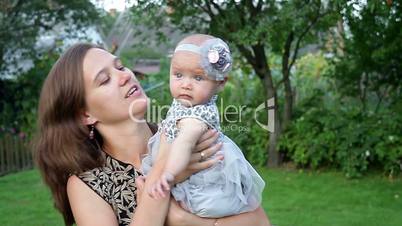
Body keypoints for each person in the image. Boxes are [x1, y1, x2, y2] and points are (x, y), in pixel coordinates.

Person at [35, 43, 271, 226]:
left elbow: (260, 221)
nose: (125, 75)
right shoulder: (88, 184)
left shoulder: (185, 135)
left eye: (119, 66)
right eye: (105, 79)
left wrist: (186, 221)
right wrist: (168, 178)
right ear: (85, 115)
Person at [142, 34, 265, 218]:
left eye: (198, 78)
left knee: (179, 210)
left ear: (220, 82)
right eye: (178, 75)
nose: (185, 85)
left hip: (206, 188)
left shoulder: (197, 115)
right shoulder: (185, 103)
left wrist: (168, 174)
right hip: (185, 168)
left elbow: (183, 143)